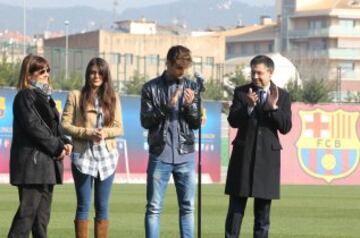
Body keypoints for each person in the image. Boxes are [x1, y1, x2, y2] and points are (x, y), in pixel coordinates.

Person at [224, 55, 292, 238]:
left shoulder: (282, 95)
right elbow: (233, 121)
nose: (255, 76)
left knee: (262, 217)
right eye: (252, 72)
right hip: (243, 157)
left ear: (270, 73)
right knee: (235, 213)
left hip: (267, 161)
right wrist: (248, 107)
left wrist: (273, 108)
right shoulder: (241, 92)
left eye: (259, 73)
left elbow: (285, 127)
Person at [8, 54, 72, 238]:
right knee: (26, 216)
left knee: (41, 220)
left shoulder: (45, 97)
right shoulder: (25, 96)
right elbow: (34, 127)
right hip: (32, 164)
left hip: (46, 165)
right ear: (28, 75)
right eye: (41, 71)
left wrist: (65, 142)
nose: (46, 74)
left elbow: (54, 127)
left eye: (47, 70)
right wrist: (57, 147)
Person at [141, 45, 201, 238]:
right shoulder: (150, 87)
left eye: (185, 68)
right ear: (167, 64)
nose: (181, 72)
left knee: (188, 208)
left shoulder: (192, 87)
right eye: (178, 67)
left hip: (186, 156)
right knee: (154, 208)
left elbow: (196, 123)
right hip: (160, 154)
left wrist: (190, 107)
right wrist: (167, 107)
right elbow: (146, 121)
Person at [61, 57, 123, 238]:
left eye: (100, 72)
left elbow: (119, 128)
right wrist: (88, 133)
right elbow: (64, 125)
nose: (96, 76)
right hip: (83, 157)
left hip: (107, 157)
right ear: (87, 74)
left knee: (102, 207)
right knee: (83, 206)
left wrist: (104, 133)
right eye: (92, 72)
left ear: (105, 75)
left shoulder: (113, 97)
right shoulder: (75, 95)